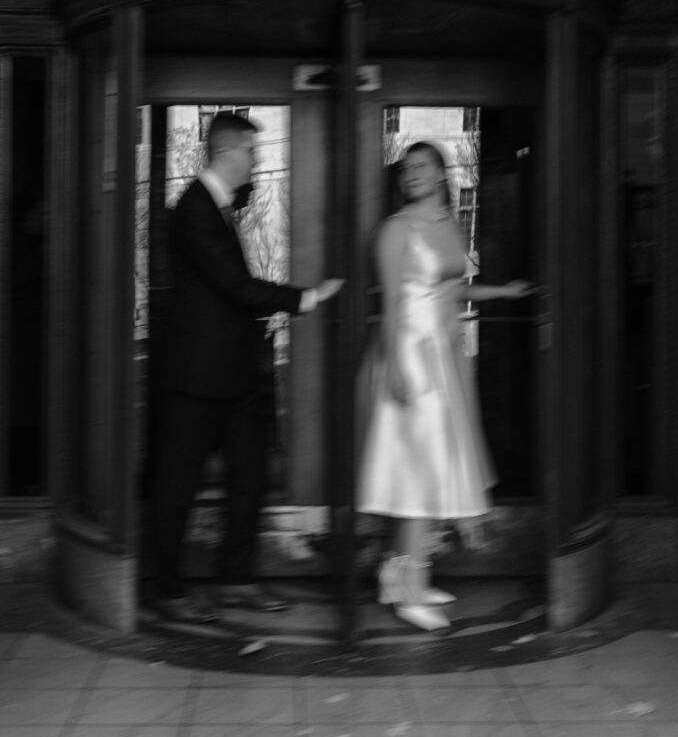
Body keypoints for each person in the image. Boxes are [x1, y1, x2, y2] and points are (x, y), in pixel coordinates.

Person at [152, 110, 343, 622]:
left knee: (250, 478)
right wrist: (305, 297)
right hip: (195, 376)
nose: (257, 161)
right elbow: (235, 289)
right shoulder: (192, 208)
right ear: (229, 152)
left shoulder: (220, 207)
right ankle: (165, 590)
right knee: (178, 484)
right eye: (253, 152)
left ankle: (236, 580)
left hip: (234, 376)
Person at [356, 141, 534, 632]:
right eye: (406, 168)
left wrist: (501, 291)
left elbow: (453, 288)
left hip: (444, 358)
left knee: (432, 469)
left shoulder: (448, 227)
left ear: (440, 175)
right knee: (417, 473)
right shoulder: (393, 232)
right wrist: (393, 368)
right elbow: (392, 303)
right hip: (410, 357)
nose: (411, 173)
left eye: (422, 166)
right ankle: (409, 591)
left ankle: (402, 573)